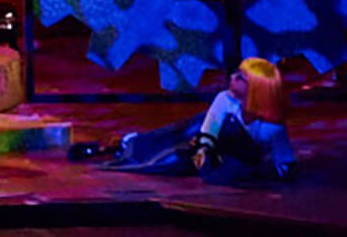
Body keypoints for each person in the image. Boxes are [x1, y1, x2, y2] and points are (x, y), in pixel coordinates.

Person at [98, 57, 297, 182]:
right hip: (212, 144)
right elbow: (209, 129)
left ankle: (136, 146)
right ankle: (133, 143)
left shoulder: (272, 122)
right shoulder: (225, 99)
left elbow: (284, 163)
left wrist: (262, 173)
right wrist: (203, 150)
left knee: (177, 157)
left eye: (240, 77)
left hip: (234, 158)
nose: (233, 77)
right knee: (184, 134)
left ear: (255, 88)